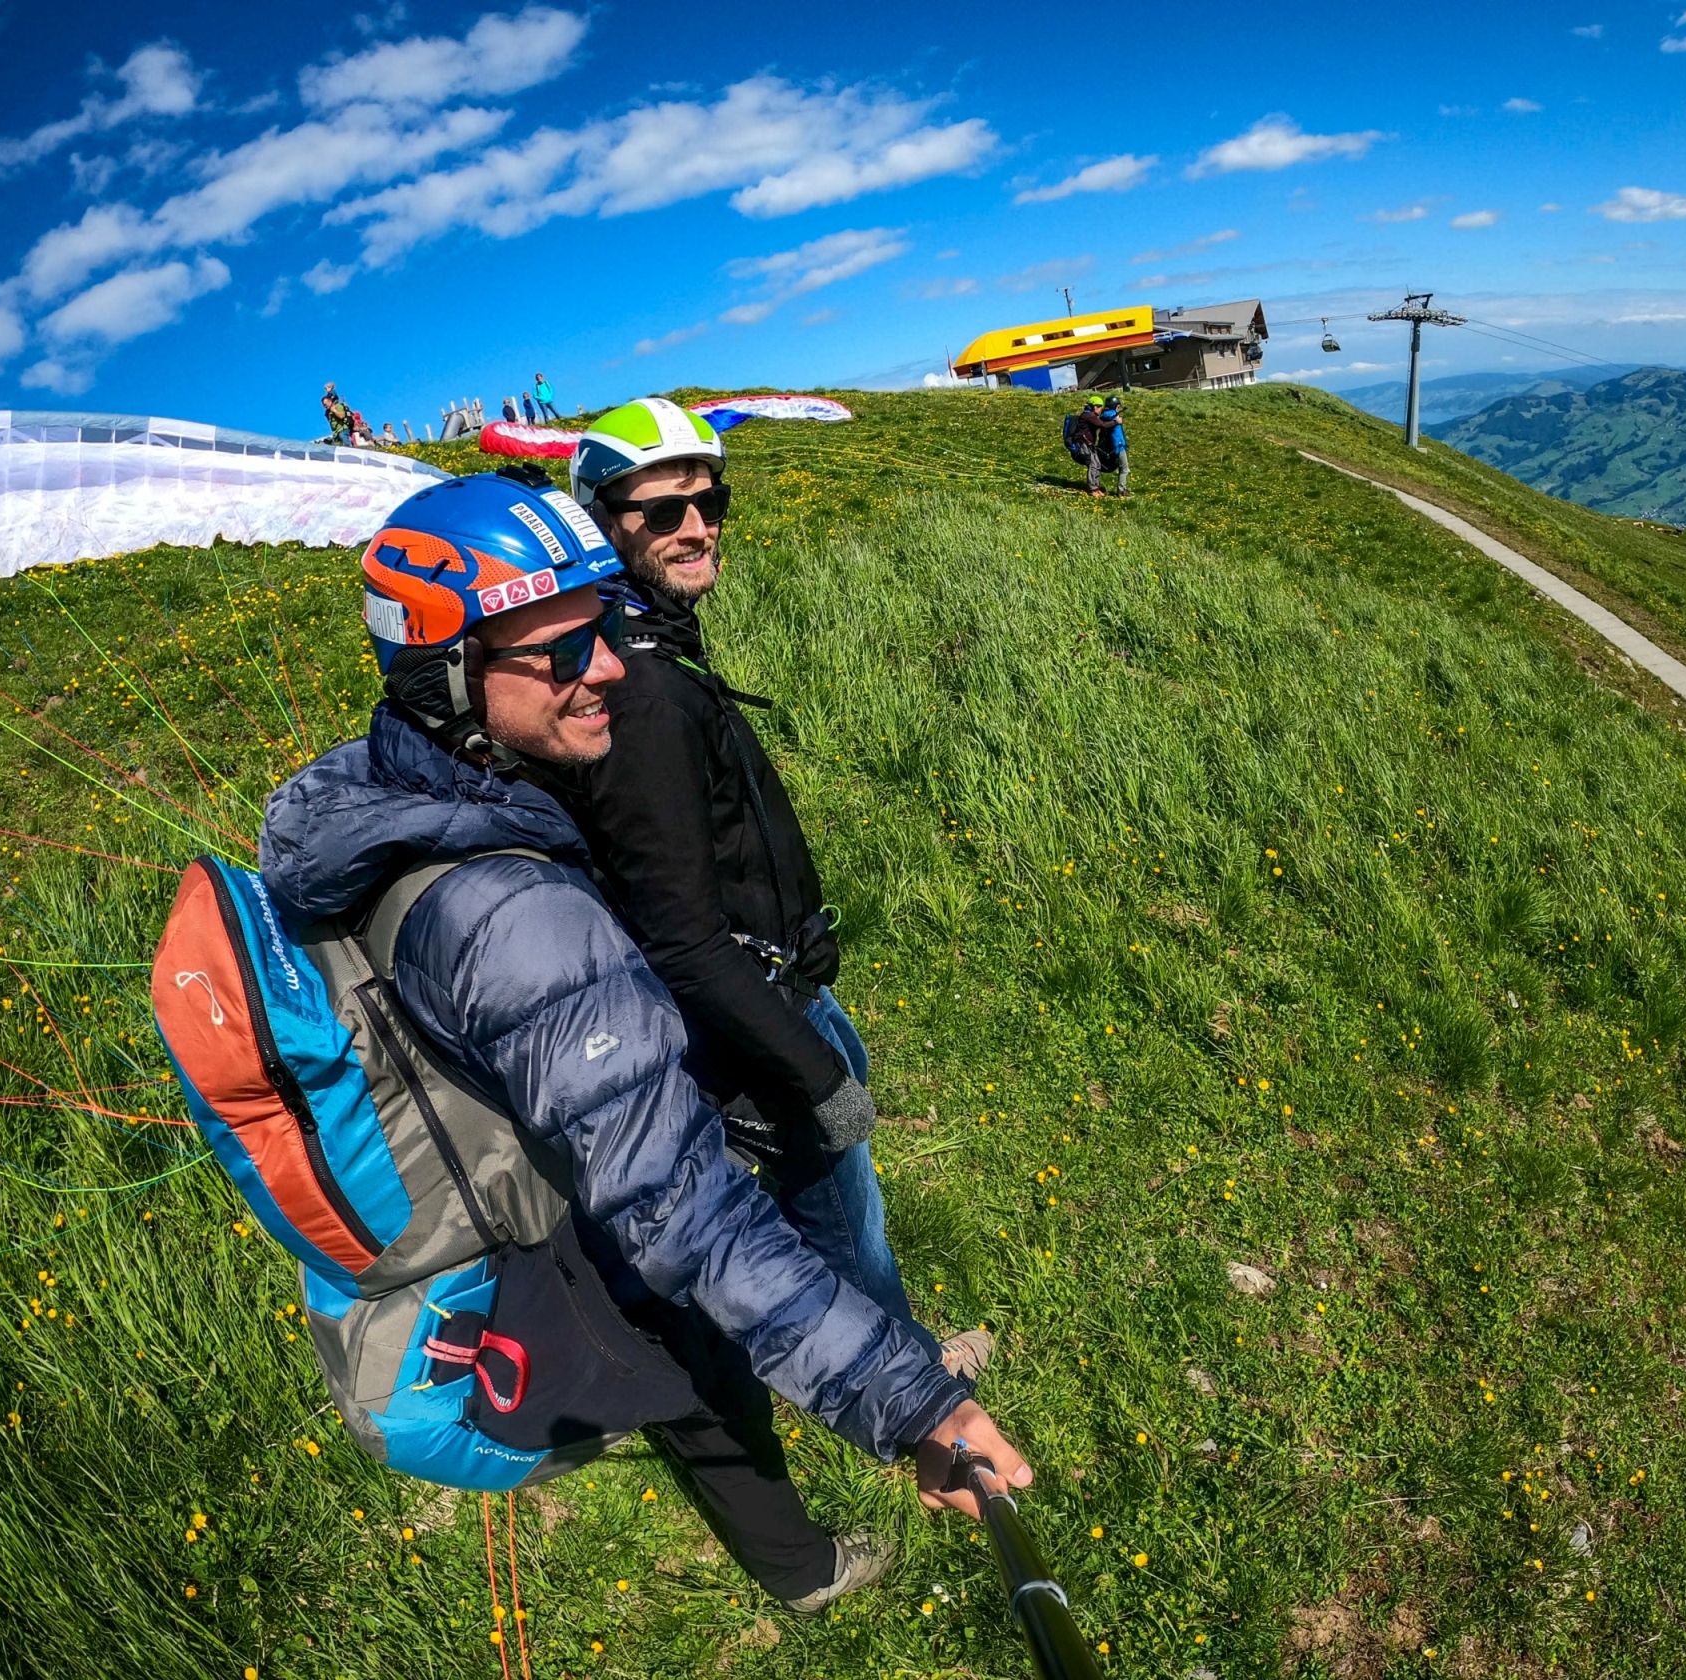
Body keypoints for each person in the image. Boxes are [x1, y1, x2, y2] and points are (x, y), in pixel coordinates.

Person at [259, 471, 1028, 1607]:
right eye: (563, 652)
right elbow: (676, 1206)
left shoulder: (369, 795)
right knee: (694, 1354)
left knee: (690, 1367)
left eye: (606, 629)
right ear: (447, 675)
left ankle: (794, 1572)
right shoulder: (516, 918)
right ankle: (803, 1573)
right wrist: (911, 1402)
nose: (610, 667)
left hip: (537, 1164)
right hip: (566, 1219)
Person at [556, 400, 993, 1382]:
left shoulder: (649, 646)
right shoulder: (644, 693)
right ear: (598, 522)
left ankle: (828, 1348)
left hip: (776, 984)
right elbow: (676, 933)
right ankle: (910, 1395)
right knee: (844, 1220)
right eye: (660, 511)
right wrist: (810, 1068)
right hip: (753, 1016)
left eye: (710, 502)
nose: (696, 527)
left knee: (820, 1206)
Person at [1073, 396, 1116, 499]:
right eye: (1099, 407)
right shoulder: (1088, 416)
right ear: (1094, 407)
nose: (1100, 409)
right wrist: (1115, 422)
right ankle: (1093, 489)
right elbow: (1102, 425)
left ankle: (1096, 488)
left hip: (1089, 444)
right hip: (1084, 444)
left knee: (1097, 464)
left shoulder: (1090, 415)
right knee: (1093, 464)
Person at [1102, 395, 1130, 497]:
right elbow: (1111, 416)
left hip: (1114, 446)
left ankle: (1123, 489)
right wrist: (1116, 419)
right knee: (1124, 469)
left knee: (1122, 468)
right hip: (1118, 446)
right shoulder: (1113, 416)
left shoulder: (1105, 415)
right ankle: (1121, 491)